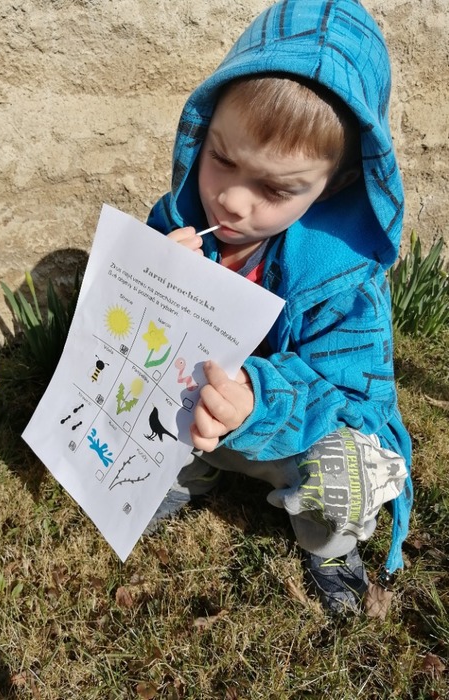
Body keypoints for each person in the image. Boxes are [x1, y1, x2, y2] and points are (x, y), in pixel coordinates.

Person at [146, 0, 413, 615]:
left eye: (275, 188)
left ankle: (330, 545)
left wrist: (257, 399)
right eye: (222, 159)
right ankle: (188, 475)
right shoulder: (180, 222)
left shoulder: (344, 280)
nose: (232, 202)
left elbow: (353, 400)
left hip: (297, 436)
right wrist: (155, 273)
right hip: (200, 422)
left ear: (336, 183)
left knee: (348, 469)